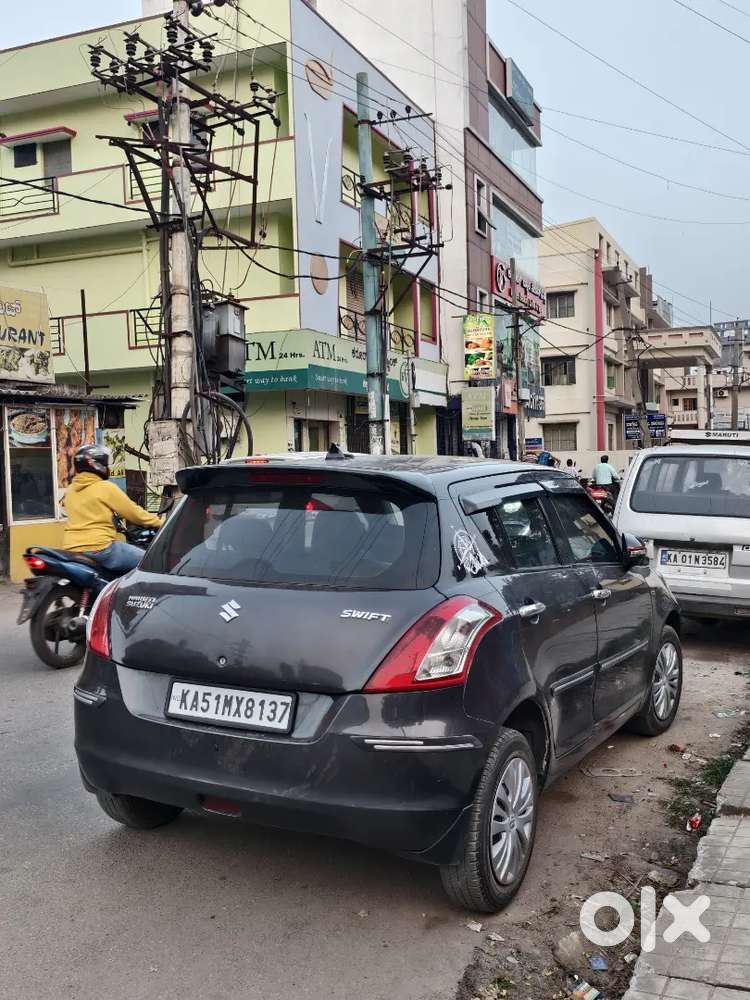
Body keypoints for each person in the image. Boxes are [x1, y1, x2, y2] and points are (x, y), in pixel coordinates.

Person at [63, 444, 162, 574]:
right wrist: (161, 523)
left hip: (70, 548)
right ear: (98, 465)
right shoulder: (105, 487)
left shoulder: (70, 491)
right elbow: (134, 513)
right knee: (151, 562)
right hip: (100, 547)